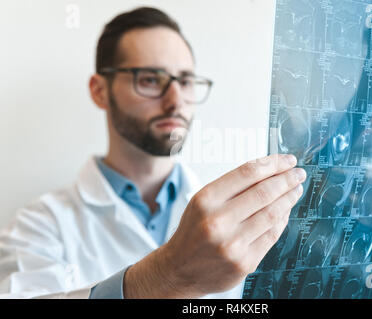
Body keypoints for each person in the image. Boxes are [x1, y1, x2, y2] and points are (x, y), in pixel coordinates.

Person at [0, 7, 307, 299]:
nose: (175, 100)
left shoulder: (241, 217)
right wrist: (167, 275)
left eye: (185, 81)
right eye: (149, 79)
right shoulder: (39, 226)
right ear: (99, 90)